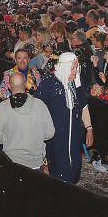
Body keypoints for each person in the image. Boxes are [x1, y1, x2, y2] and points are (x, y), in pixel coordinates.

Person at [35, 52, 91, 184]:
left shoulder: (75, 83)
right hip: (55, 138)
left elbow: (83, 106)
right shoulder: (49, 84)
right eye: (72, 68)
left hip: (74, 136)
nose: (75, 71)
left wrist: (89, 128)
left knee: (75, 168)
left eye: (76, 68)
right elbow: (38, 109)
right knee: (60, 171)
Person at [0, 72, 54, 171]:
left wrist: (11, 137)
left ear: (10, 86)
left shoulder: (2, 108)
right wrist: (34, 136)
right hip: (35, 163)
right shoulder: (40, 105)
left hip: (12, 163)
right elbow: (50, 133)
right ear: (25, 84)